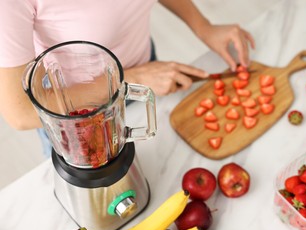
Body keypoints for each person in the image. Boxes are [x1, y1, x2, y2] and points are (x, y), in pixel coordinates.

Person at [0, 0, 255, 155]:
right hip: (79, 115)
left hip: (146, 71)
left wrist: (203, 26)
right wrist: (133, 80)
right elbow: (20, 113)